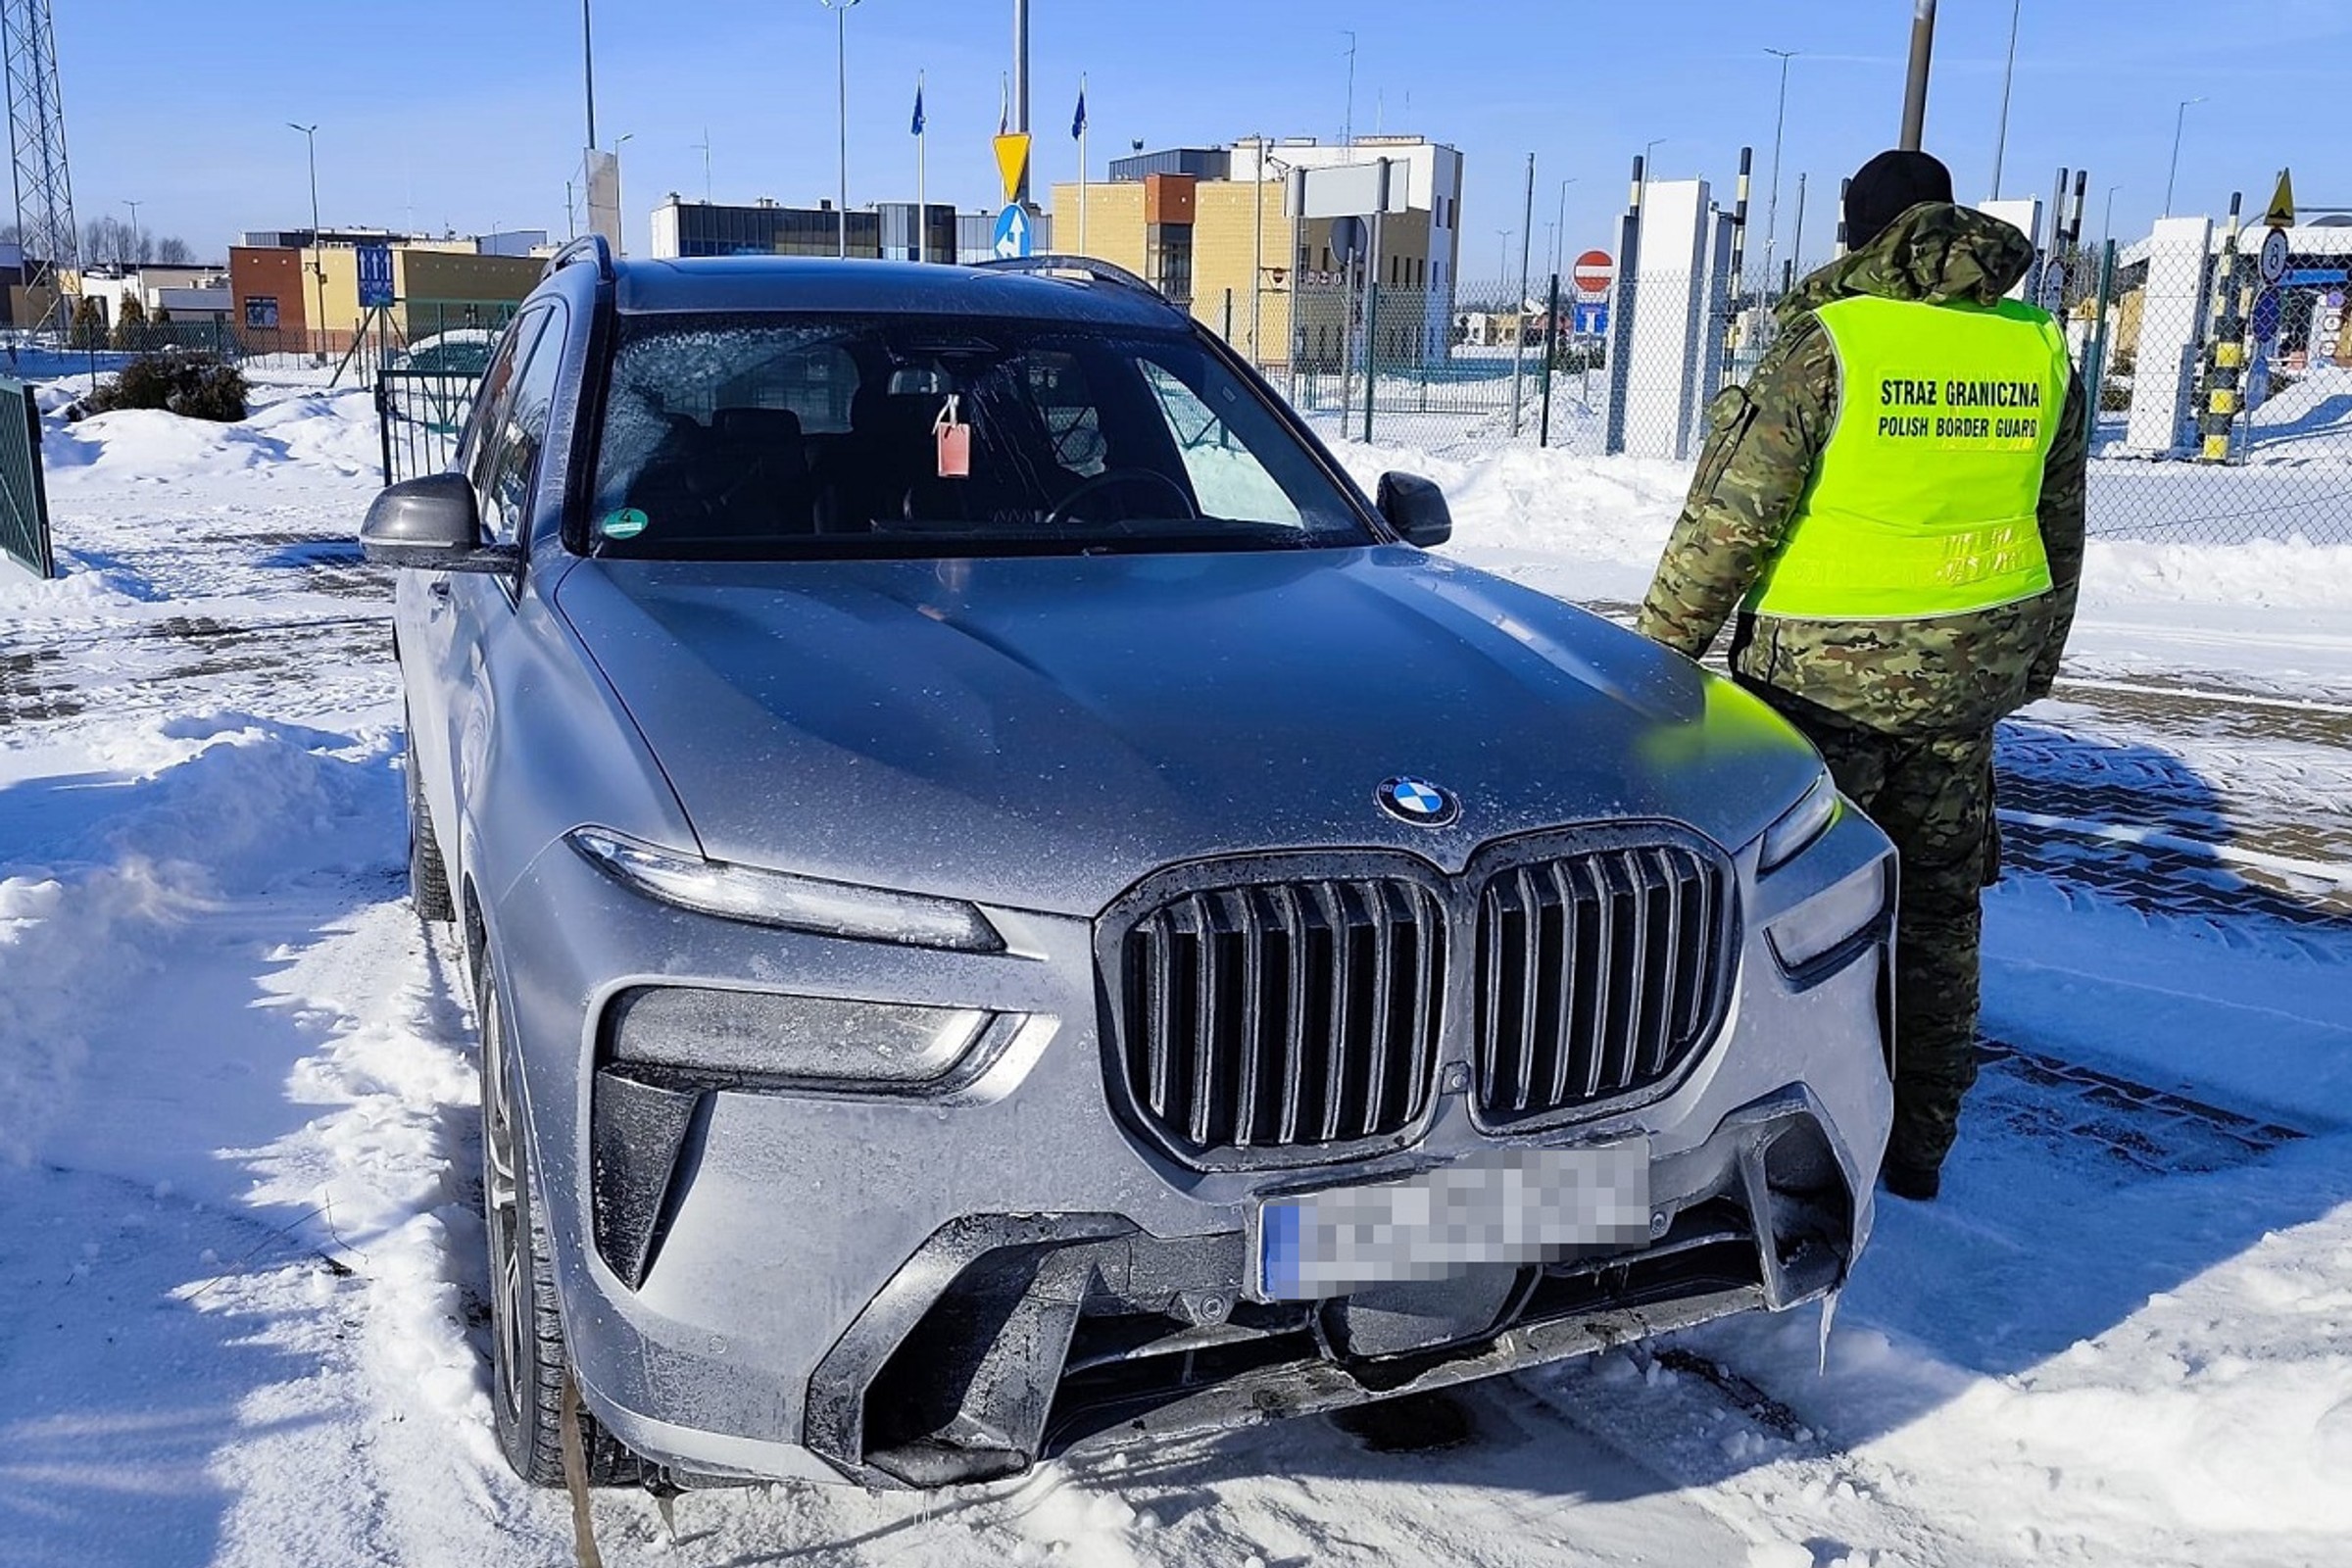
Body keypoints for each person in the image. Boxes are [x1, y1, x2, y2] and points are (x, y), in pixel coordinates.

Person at [1637, 149, 2087, 1202]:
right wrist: (2032, 663)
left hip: (1820, 684)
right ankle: (1923, 1143)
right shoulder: (2035, 344)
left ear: (1864, 228)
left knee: (1805, 919)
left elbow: (1729, 524)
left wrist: (1655, 668)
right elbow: (2058, 521)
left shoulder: (1833, 341)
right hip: (1964, 684)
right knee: (1939, 910)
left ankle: (1797, 1152)